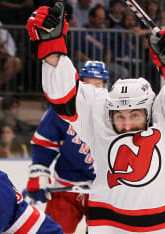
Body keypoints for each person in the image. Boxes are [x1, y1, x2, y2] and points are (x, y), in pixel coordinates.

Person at [26, 2, 165, 233]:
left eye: (134, 115)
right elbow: (64, 94)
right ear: (110, 111)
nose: (126, 124)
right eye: (119, 116)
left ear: (149, 110)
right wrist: (50, 45)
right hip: (114, 227)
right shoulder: (99, 115)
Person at [26, 61, 108, 233]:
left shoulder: (113, 112)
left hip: (102, 192)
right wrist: (38, 173)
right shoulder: (62, 108)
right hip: (66, 187)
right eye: (87, 83)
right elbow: (45, 142)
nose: (92, 90)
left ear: (105, 86)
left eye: (98, 85)